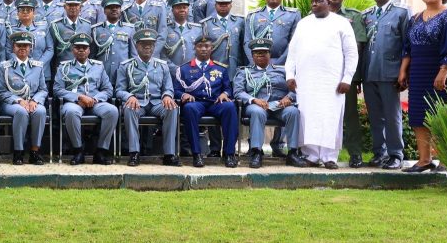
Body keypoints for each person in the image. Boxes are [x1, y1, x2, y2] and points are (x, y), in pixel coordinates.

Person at [285, 0, 359, 169]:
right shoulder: (304, 23)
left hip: (332, 81)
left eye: (319, 1)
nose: (314, 4)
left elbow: (351, 53)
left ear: (329, 2)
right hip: (306, 80)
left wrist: (347, 78)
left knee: (330, 117)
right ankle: (310, 155)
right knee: (308, 117)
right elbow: (292, 52)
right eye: (313, 1)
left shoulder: (341, 23)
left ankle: (329, 157)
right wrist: (290, 75)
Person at [399, 0, 447, 172]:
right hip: (418, 72)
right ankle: (424, 160)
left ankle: (446, 161)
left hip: (445, 72)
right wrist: (403, 71)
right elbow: (407, 47)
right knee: (419, 115)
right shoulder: (415, 18)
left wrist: (444, 71)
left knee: (443, 115)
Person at [361, 0, 410, 169]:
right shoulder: (367, 15)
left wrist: (404, 72)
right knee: (375, 117)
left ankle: (395, 154)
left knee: (392, 116)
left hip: (390, 73)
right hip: (369, 72)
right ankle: (379, 153)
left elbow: (407, 45)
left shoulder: (401, 12)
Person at [233, 38, 307, 168]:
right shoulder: (244, 72)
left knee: (293, 112)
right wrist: (254, 100)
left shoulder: (282, 71)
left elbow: (295, 88)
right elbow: (238, 92)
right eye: (257, 53)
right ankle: (256, 152)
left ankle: (292, 153)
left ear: (270, 54)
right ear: (252, 56)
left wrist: (289, 97)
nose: (260, 56)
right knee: (258, 112)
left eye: (264, 53)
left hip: (279, 106)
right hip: (256, 105)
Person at [115, 29, 180, 167]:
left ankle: (169, 154)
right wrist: (129, 96)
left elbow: (168, 88)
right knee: (129, 109)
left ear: (154, 47)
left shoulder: (162, 66)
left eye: (150, 44)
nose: (147, 47)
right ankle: (134, 153)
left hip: (157, 103)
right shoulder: (126, 66)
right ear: (136, 46)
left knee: (172, 108)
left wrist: (167, 96)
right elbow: (119, 90)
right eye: (143, 44)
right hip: (137, 103)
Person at [54, 32, 118, 166]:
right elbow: (57, 89)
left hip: (95, 102)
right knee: (71, 112)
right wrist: (79, 97)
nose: (81, 50)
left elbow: (108, 89)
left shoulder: (98, 66)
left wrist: (94, 99)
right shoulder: (64, 67)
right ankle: (78, 151)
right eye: (78, 47)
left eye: (84, 47)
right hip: (74, 102)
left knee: (112, 111)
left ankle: (101, 151)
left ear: (89, 50)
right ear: (72, 50)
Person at [174, 37, 239, 168]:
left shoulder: (220, 69)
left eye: (207, 46)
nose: (203, 49)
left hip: (215, 103)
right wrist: (183, 95)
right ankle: (196, 154)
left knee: (230, 107)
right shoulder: (184, 69)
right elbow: (176, 90)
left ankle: (229, 154)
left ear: (212, 48)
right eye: (200, 46)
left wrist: (225, 94)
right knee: (189, 108)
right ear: (194, 48)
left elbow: (228, 89)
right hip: (196, 102)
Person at [329, 0, 368, 167]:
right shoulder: (315, 15)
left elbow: (358, 46)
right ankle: (324, 153)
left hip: (346, 74)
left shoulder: (353, 16)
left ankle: (355, 154)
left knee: (350, 114)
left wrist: (353, 76)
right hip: (323, 74)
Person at [0, 31, 49, 165]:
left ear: (30, 48)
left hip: (33, 101)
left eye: (25, 45)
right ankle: (18, 152)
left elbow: (43, 90)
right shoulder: (5, 67)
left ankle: (34, 152)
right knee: (21, 111)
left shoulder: (38, 67)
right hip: (11, 103)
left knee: (41, 111)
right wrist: (19, 101)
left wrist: (35, 100)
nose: (22, 48)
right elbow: (1, 91)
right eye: (19, 45)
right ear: (13, 48)